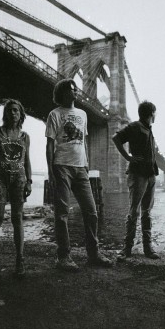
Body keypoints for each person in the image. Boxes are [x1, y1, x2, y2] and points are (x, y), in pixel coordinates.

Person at [45, 78, 112, 271]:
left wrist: (87, 165)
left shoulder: (83, 114)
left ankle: (93, 254)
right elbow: (50, 145)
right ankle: (63, 257)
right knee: (62, 214)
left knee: (91, 212)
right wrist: (51, 171)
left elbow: (83, 142)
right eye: (71, 89)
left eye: (75, 88)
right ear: (63, 93)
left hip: (81, 168)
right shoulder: (54, 114)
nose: (76, 91)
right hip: (61, 167)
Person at [112, 100, 165, 261]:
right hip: (138, 175)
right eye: (155, 113)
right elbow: (116, 138)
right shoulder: (134, 127)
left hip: (150, 175)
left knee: (146, 213)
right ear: (151, 114)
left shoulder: (149, 130)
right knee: (134, 212)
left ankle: (148, 249)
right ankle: (127, 249)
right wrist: (128, 157)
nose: (156, 116)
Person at [0, 99, 32, 280]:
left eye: (16, 111)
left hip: (19, 180)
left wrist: (29, 181)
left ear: (21, 115)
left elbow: (26, 160)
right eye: (10, 110)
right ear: (5, 113)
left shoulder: (25, 136)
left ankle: (20, 261)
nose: (13, 113)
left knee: (17, 218)